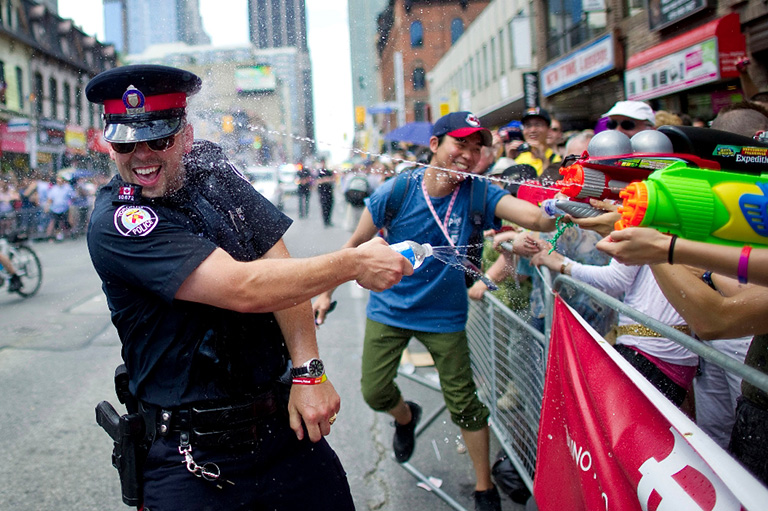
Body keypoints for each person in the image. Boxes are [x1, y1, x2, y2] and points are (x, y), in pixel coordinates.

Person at [84, 64, 411, 511]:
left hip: (283, 430)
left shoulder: (211, 168)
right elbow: (247, 288)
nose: (142, 156)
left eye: (159, 139)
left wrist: (308, 370)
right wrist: (351, 262)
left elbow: (275, 264)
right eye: (125, 142)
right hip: (191, 459)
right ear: (108, 142)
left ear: (185, 136)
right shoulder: (118, 222)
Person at [313, 111, 558, 511]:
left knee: (464, 403)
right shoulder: (397, 190)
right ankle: (406, 417)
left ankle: (484, 489)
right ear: (435, 145)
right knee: (375, 392)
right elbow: (356, 244)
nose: (469, 154)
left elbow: (534, 218)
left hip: (445, 314)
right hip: (390, 308)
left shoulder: (478, 193)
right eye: (460, 144)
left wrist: (570, 204)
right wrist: (325, 291)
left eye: (477, 148)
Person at [507, 107, 562, 177]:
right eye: (528, 125)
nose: (532, 130)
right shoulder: (519, 158)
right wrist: (509, 160)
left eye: (538, 125)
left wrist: (544, 160)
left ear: (548, 130)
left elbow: (549, 184)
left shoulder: (555, 159)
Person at [315, 158, 335, 227]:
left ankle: (329, 220)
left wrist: (326, 180)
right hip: (322, 192)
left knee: (330, 206)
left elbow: (332, 179)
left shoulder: (328, 171)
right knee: (324, 207)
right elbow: (317, 181)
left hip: (329, 192)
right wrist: (325, 180)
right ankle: (325, 221)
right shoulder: (319, 172)